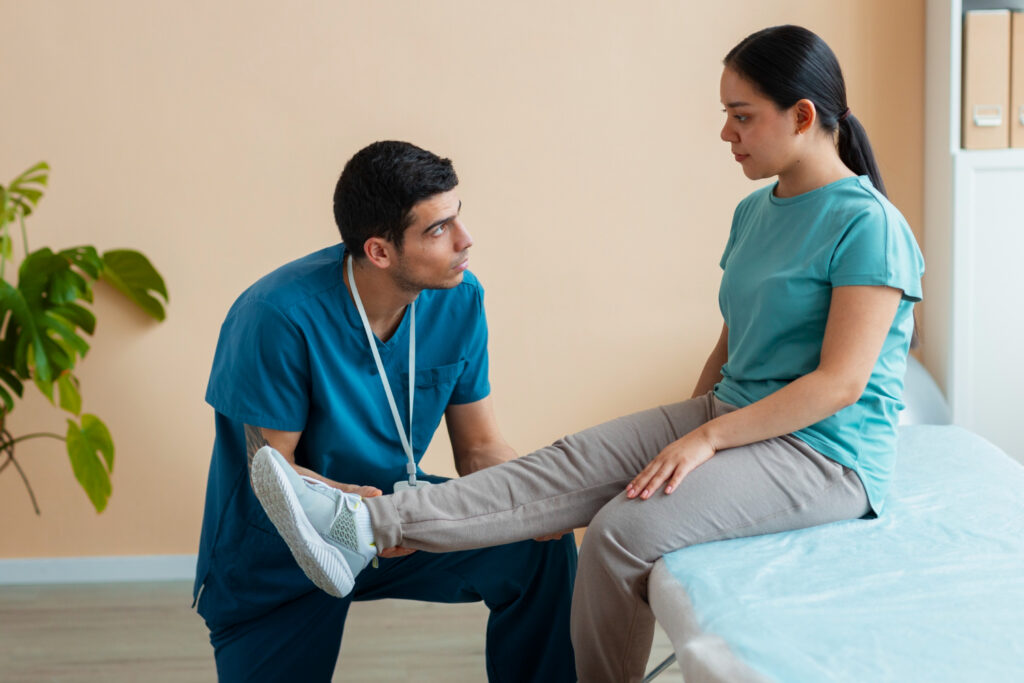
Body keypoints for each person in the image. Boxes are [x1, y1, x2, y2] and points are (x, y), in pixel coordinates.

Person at [252, 24, 925, 683]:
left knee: (619, 530)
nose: (726, 133)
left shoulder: (868, 227)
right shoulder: (756, 212)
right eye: (727, 114)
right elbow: (731, 343)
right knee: (565, 465)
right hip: (735, 413)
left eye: (741, 116)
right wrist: (692, 422)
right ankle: (365, 523)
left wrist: (705, 441)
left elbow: (839, 383)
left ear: (802, 115)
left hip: (826, 454)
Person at [192, 140, 579, 682]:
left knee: (537, 547)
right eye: (438, 229)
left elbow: (479, 447)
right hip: (281, 552)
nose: (465, 241)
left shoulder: (460, 297)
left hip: (400, 521)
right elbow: (270, 474)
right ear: (379, 251)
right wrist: (353, 514)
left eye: (457, 219)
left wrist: (532, 502)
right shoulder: (276, 316)